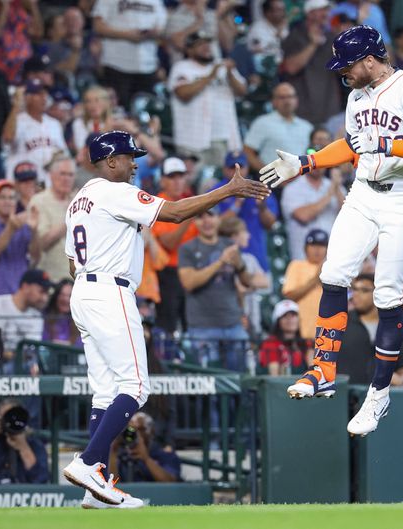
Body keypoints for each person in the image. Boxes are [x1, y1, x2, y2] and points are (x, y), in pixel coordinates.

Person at [60, 130, 267, 508]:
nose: (134, 162)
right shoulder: (113, 190)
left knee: (105, 391)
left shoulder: (79, 199)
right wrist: (227, 190)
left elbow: (72, 262)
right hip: (110, 290)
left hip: (83, 291)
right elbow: (172, 213)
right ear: (110, 162)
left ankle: (96, 486)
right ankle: (90, 463)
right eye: (127, 156)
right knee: (136, 387)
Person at [260, 25, 403, 435]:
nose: (342, 72)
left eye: (348, 64)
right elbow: (351, 143)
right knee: (332, 275)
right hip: (363, 191)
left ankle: (379, 394)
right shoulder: (356, 96)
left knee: (385, 294)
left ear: (369, 60)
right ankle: (323, 369)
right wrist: (306, 163)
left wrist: (387, 145)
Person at [178, 206, 253, 371]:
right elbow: (189, 283)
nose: (206, 221)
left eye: (210, 215)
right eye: (200, 217)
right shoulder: (187, 249)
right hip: (202, 327)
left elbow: (248, 283)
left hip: (232, 323)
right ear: (195, 222)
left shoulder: (229, 245)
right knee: (207, 385)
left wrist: (240, 265)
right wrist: (220, 261)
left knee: (240, 381)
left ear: (219, 219)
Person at [168, 31, 245, 167]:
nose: (206, 47)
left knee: (224, 184)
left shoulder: (222, 67)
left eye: (207, 43)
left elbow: (242, 91)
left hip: (225, 138)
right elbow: (183, 93)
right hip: (193, 140)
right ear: (189, 49)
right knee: (197, 184)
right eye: (200, 44)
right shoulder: (182, 67)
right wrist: (210, 76)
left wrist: (229, 73)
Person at [280, 139, 346, 261]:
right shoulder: (292, 189)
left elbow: (349, 216)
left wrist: (336, 188)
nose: (317, 164)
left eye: (320, 159)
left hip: (333, 258)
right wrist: (331, 192)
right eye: (313, 159)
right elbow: (303, 216)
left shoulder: (336, 187)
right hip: (303, 260)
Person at [151, 157, 196, 333]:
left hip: (190, 270)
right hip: (167, 273)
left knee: (190, 326)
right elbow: (168, 243)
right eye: (172, 177)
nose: (177, 182)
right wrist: (190, 215)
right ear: (162, 180)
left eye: (180, 176)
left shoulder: (189, 200)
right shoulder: (157, 204)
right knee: (167, 326)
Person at [213, 151, 278, 273]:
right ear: (225, 169)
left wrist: (262, 208)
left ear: (247, 168)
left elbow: (270, 224)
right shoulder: (215, 191)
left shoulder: (259, 189)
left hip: (257, 257)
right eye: (232, 167)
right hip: (224, 261)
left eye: (240, 167)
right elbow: (212, 225)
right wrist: (237, 204)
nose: (237, 172)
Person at [280, 0, 341, 126]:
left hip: (329, 108)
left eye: (327, 10)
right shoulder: (295, 35)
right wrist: (313, 45)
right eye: (322, 10)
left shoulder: (331, 37)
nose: (326, 14)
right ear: (310, 13)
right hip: (303, 109)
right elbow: (291, 67)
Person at [92, 0, 166, 102]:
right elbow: (98, 26)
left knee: (145, 112)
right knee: (118, 110)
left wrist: (152, 33)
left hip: (147, 65)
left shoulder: (155, 1)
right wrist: (126, 35)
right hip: (116, 63)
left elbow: (162, 27)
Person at [2, 79, 68, 186]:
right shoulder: (17, 121)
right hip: (25, 183)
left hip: (50, 184)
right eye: (38, 94)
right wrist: (16, 106)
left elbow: (64, 153)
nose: (44, 97)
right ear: (27, 98)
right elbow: (8, 137)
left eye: (45, 93)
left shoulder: (54, 124)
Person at [0, 398, 49, 484]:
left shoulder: (34, 445)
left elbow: (41, 480)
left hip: (24, 495)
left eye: (15, 418)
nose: (11, 422)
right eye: (6, 417)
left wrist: (24, 448)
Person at [243, 83, 314, 171]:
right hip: (272, 181)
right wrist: (268, 173)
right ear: (274, 101)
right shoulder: (262, 123)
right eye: (282, 97)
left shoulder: (307, 127)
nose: (287, 101)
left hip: (302, 181)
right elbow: (248, 152)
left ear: (296, 100)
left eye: (291, 97)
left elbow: (313, 154)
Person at [27, 155, 76, 282]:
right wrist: (70, 219)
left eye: (70, 175)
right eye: (62, 174)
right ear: (51, 176)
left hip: (78, 279)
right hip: (51, 279)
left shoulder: (78, 200)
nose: (66, 179)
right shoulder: (39, 201)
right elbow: (40, 243)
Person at [0, 0, 43, 84]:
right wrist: (5, 8)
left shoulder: (19, 8)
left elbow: (37, 33)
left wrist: (33, 6)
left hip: (20, 68)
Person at [282, 229, 327, 340]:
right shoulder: (297, 265)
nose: (317, 249)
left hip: (325, 335)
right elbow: (289, 296)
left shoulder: (332, 269)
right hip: (300, 334)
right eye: (313, 245)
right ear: (305, 248)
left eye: (321, 245)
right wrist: (315, 280)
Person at [111, 412, 181, 483]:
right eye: (132, 430)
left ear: (152, 431)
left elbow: (170, 483)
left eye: (141, 429)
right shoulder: (121, 455)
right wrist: (113, 451)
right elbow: (111, 484)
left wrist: (146, 459)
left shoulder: (165, 455)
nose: (136, 434)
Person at [258, 299, 313, 375]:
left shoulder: (307, 343)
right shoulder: (270, 343)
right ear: (277, 321)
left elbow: (313, 372)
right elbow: (274, 377)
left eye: (293, 315)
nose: (290, 319)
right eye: (285, 316)